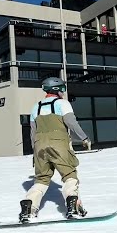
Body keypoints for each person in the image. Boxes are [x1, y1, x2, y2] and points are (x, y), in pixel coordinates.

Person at [19, 77, 91, 222]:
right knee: (70, 175)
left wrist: (35, 152)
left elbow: (33, 132)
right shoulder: (62, 104)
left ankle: (29, 207)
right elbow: (71, 122)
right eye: (62, 89)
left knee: (41, 180)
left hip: (39, 147)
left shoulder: (35, 107)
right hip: (59, 145)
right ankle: (73, 207)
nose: (63, 93)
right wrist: (84, 138)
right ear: (57, 90)